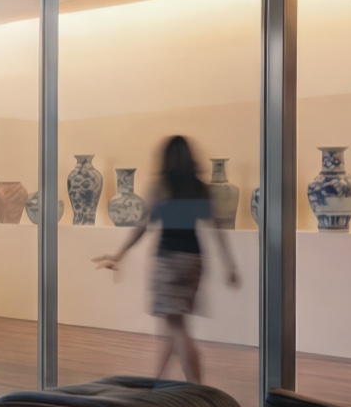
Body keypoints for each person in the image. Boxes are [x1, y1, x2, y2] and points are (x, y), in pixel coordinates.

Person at [93, 135, 241, 384]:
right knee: (173, 326)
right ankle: (158, 381)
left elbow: (143, 226)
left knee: (177, 328)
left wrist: (120, 254)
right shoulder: (200, 188)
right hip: (193, 260)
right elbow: (216, 227)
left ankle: (197, 386)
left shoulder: (161, 187)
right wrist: (229, 265)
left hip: (168, 259)